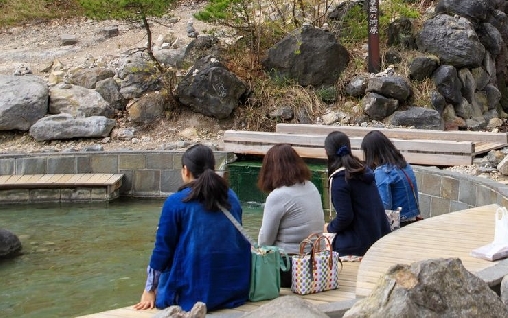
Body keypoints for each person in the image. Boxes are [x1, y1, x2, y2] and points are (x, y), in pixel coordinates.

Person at [134, 144, 250, 312]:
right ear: (213, 168)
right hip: (233, 291)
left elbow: (162, 250)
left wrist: (149, 290)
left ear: (186, 170)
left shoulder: (176, 202)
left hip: (192, 294)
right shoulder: (231, 196)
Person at [256, 144, 325, 287]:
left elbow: (265, 242)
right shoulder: (311, 186)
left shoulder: (278, 196)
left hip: (290, 269)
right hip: (317, 264)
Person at [323, 130, 391, 256]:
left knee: (322, 241)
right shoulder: (363, 171)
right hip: (378, 236)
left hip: (359, 244)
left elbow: (345, 217)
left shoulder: (340, 180)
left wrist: (329, 227)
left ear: (327, 152)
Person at [360, 130, 421, 226]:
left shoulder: (383, 172)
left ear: (372, 153)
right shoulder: (404, 165)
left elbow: (384, 206)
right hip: (412, 218)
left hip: (399, 223)